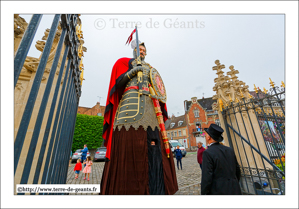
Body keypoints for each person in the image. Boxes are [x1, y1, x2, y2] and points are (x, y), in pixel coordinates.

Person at [100, 40, 178, 195]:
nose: (141, 51)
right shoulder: (124, 63)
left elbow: (158, 86)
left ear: (146, 53)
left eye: (143, 50)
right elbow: (118, 83)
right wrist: (132, 72)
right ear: (134, 51)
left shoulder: (150, 68)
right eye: (139, 49)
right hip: (130, 105)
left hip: (150, 105)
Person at [201, 124, 242, 195]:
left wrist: (204, 193)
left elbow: (207, 177)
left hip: (218, 191)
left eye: (206, 135)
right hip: (234, 189)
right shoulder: (229, 150)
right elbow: (237, 170)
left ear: (208, 137)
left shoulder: (208, 153)